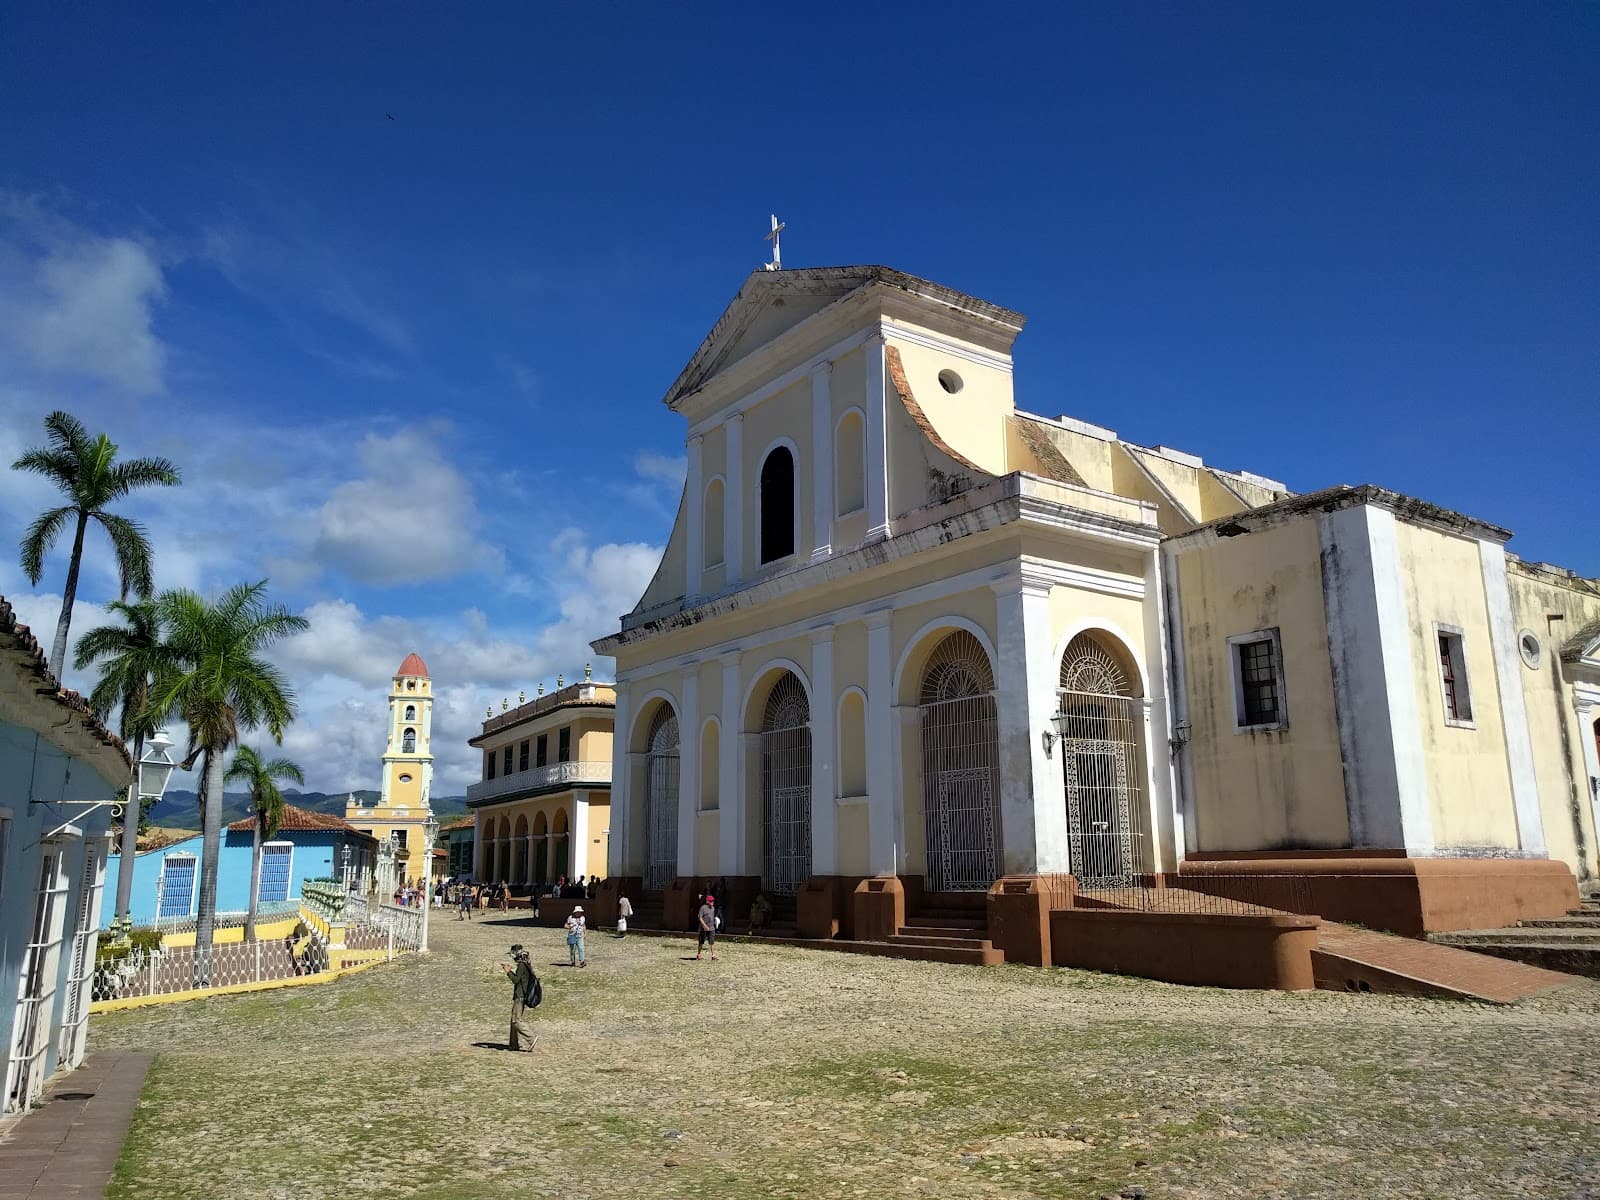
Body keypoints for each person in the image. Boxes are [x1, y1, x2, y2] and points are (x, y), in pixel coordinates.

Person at [500, 944, 540, 1052]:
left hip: (520, 996)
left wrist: (508, 971)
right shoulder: (526, 964)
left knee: (516, 1020)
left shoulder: (522, 965)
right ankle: (513, 1045)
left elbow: (516, 980)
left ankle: (531, 1038)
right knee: (513, 1021)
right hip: (521, 995)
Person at [696, 894, 718, 961]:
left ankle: (713, 955)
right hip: (703, 928)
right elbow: (700, 917)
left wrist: (716, 921)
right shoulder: (703, 908)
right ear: (707, 901)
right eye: (711, 901)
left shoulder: (713, 908)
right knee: (701, 942)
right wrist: (704, 926)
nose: (712, 902)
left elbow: (712, 917)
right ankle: (699, 955)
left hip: (711, 928)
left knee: (712, 942)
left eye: (713, 901)